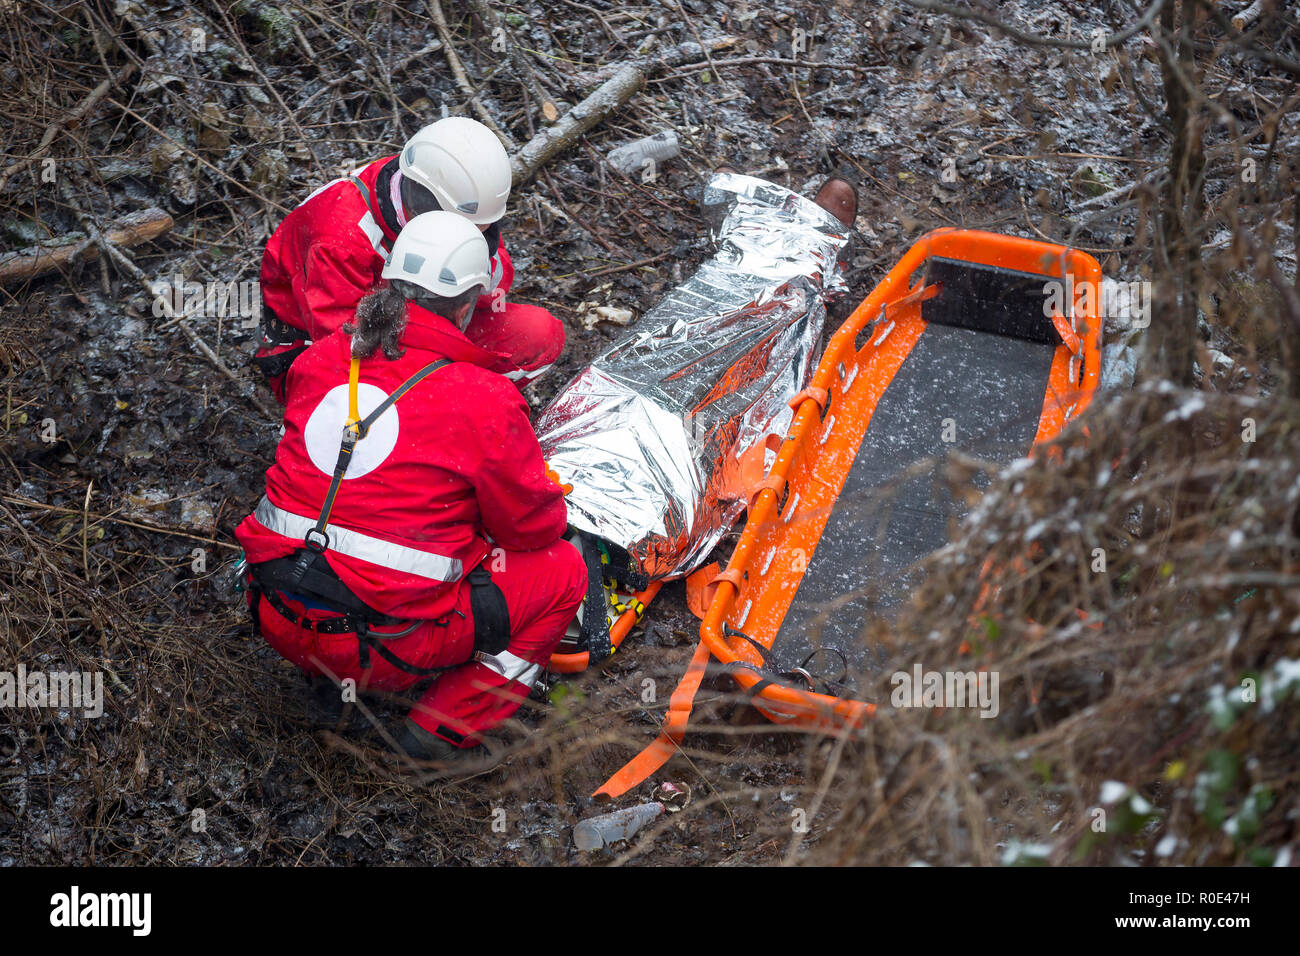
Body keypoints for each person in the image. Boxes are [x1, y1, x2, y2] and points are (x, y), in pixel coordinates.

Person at [236, 211, 586, 763]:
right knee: (564, 572)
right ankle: (437, 733)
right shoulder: (485, 397)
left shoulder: (321, 359)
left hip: (273, 609)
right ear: (472, 301)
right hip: (384, 645)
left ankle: (327, 688)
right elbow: (533, 529)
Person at [254, 116, 562, 402]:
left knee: (537, 335)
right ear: (429, 204)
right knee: (418, 400)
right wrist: (436, 360)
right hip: (330, 352)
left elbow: (493, 286)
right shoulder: (340, 237)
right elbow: (342, 342)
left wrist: (475, 267)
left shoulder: (446, 187)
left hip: (416, 325)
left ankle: (462, 413)